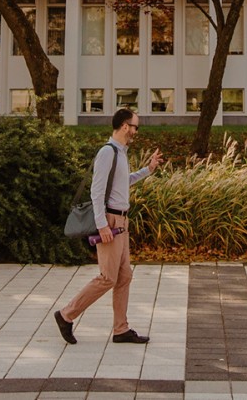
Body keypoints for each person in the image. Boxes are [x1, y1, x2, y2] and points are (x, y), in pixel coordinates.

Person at [53, 108, 160, 345]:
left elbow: (124, 181)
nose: (135, 131)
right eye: (135, 126)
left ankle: (121, 329)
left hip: (122, 221)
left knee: (124, 276)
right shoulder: (107, 152)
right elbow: (96, 191)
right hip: (110, 222)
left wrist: (148, 170)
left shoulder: (121, 153)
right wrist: (102, 225)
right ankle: (65, 315)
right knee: (107, 278)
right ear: (124, 126)